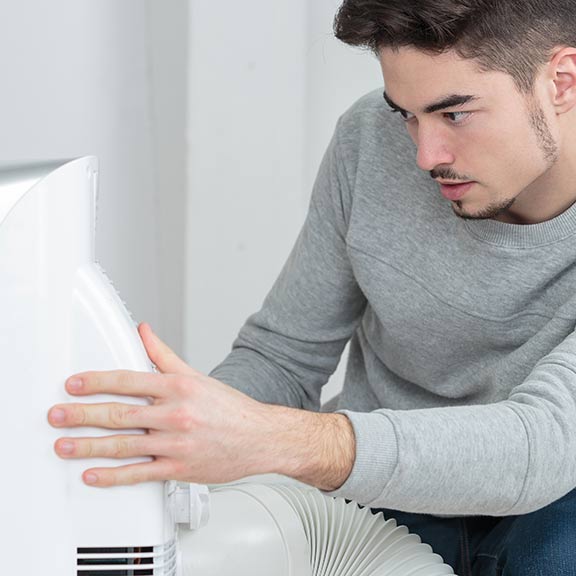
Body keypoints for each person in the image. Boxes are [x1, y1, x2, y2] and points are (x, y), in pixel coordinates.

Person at [48, 0, 576, 573]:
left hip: (550, 507)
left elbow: (542, 442)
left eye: (456, 114)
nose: (426, 156)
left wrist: (276, 440)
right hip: (379, 501)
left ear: (561, 81)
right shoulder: (369, 140)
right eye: (407, 114)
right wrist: (181, 436)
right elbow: (284, 357)